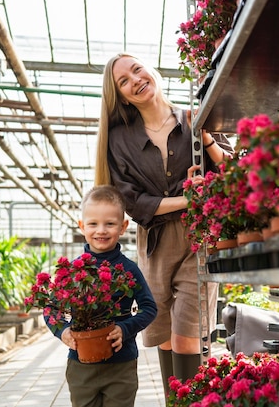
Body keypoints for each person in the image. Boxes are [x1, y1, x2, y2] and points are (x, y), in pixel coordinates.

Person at [94, 53, 234, 398]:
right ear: (121, 97)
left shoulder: (195, 118)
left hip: (199, 238)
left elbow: (237, 174)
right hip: (155, 244)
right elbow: (132, 200)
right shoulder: (119, 140)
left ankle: (194, 403)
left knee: (188, 336)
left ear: (150, 70)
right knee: (167, 336)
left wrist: (208, 138)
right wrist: (190, 196)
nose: (135, 80)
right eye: (123, 82)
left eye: (136, 70)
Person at [53, 184, 157, 407]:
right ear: (82, 226)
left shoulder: (129, 269)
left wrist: (125, 329)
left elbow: (149, 308)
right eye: (93, 224)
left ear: (123, 226)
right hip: (81, 365)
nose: (101, 230)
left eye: (110, 224)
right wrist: (62, 331)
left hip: (122, 365)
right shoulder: (72, 272)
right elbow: (51, 309)